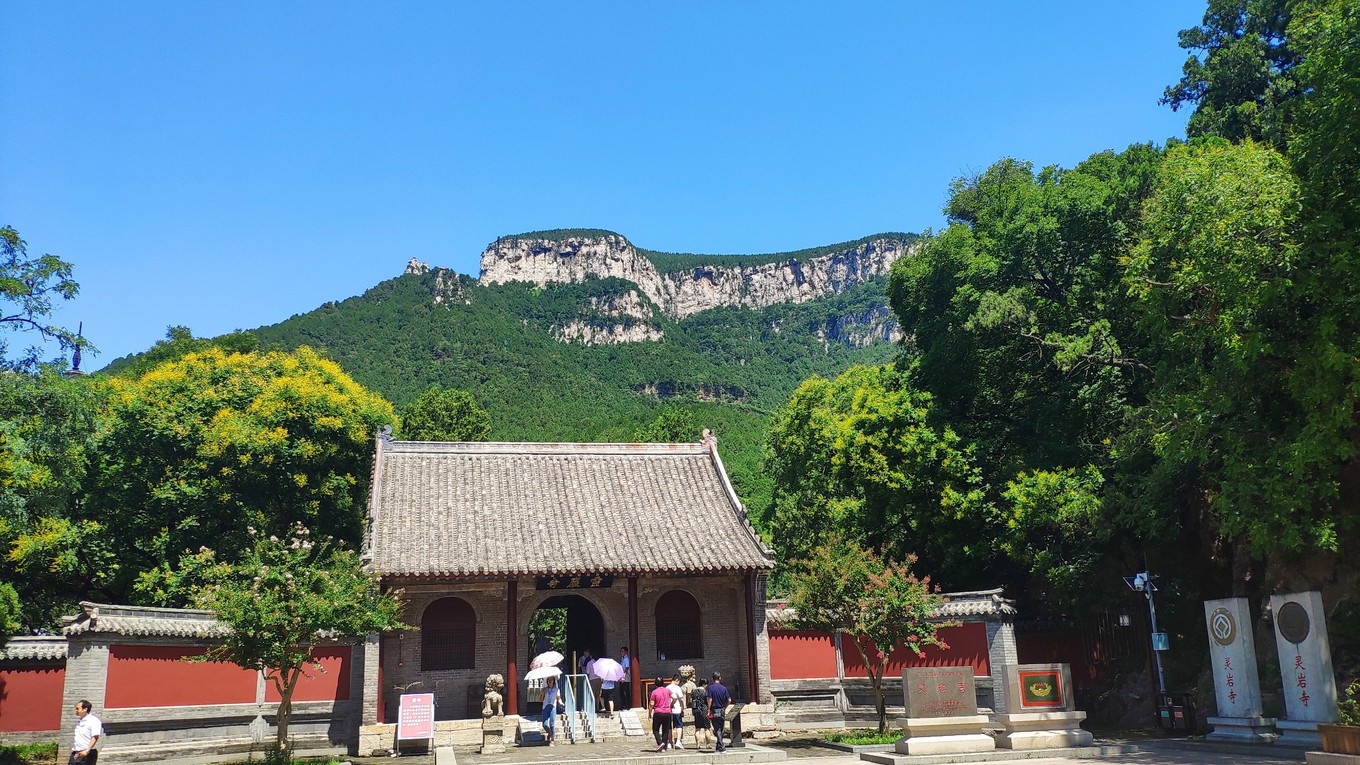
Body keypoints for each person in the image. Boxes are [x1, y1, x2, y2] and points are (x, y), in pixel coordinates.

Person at [69, 700, 102, 765]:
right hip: (76, 753)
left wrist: (87, 751)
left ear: (85, 709)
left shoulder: (93, 721)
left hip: (87, 754)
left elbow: (95, 736)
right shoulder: (80, 721)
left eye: (77, 708)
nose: (76, 710)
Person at [708, 672, 731, 753]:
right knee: (721, 729)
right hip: (722, 710)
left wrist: (708, 709)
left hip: (714, 710)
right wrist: (725, 707)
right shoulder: (723, 688)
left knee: (717, 729)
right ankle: (718, 747)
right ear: (720, 678)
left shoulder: (711, 688)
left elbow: (710, 699)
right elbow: (729, 700)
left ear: (712, 678)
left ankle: (721, 747)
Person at [649, 676, 673, 752]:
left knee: (655, 729)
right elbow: (675, 697)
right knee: (665, 730)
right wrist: (671, 705)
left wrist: (649, 713)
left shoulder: (654, 692)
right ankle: (664, 747)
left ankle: (660, 743)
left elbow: (651, 704)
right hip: (667, 712)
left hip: (658, 712)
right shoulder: (667, 690)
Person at [690, 676, 712, 750]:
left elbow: (690, 700)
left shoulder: (694, 691)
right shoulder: (705, 692)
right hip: (704, 710)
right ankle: (708, 744)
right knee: (707, 728)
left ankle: (697, 744)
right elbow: (708, 700)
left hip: (696, 711)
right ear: (704, 684)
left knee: (697, 729)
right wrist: (709, 708)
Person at [541, 676, 563, 746]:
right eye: (549, 680)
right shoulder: (544, 689)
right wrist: (542, 694)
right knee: (544, 724)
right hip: (545, 707)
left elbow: (559, 698)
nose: (550, 681)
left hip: (552, 707)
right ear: (547, 682)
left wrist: (561, 703)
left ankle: (552, 740)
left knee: (552, 724)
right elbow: (541, 699)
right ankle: (551, 734)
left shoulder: (557, 690)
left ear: (554, 681)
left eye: (551, 680)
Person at [666, 675, 685, 749]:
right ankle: (678, 741)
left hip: (669, 710)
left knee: (670, 727)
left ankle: (670, 742)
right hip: (677, 709)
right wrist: (682, 707)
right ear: (676, 680)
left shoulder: (667, 688)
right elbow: (681, 699)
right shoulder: (677, 688)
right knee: (679, 725)